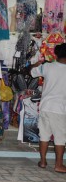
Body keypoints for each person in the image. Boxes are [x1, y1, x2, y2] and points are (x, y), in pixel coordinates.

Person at [30, 43, 66, 173]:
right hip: (60, 109)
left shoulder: (48, 67)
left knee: (44, 135)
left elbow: (32, 72)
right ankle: (59, 165)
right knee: (60, 137)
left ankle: (43, 162)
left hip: (45, 107)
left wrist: (38, 63)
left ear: (56, 54)